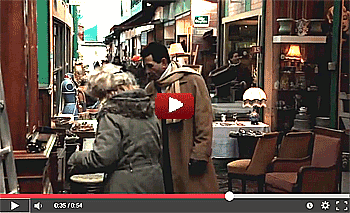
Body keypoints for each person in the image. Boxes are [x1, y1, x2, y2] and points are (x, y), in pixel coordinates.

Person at [67, 66, 164, 193]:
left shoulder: (112, 115)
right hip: (154, 180)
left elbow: (103, 158)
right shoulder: (149, 109)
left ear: (107, 93)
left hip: (126, 185)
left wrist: (75, 157)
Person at [141, 42, 219, 193]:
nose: (147, 71)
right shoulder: (151, 88)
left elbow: (204, 120)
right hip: (162, 158)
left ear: (163, 62)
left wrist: (201, 152)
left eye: (150, 66)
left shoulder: (190, 81)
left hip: (185, 154)